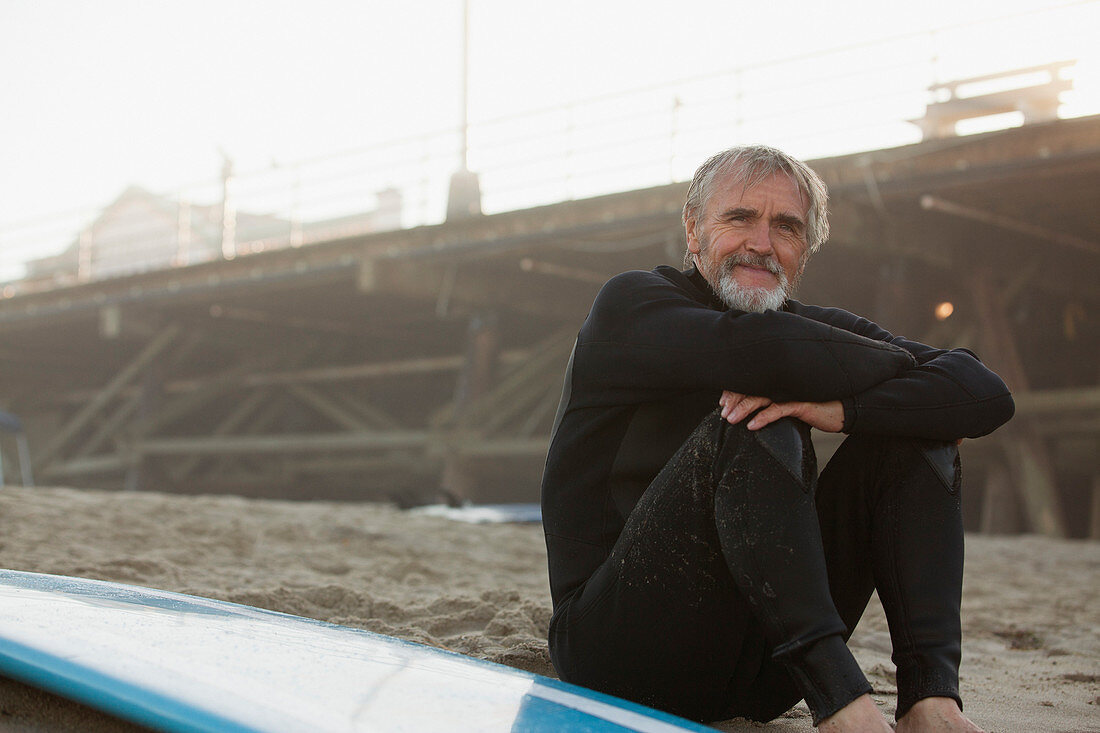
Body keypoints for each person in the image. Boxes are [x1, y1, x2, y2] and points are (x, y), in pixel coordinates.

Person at [540, 144, 1014, 732]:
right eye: (740, 218)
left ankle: (930, 701)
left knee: (917, 429)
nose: (761, 243)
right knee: (750, 420)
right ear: (693, 229)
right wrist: (854, 379)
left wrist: (844, 410)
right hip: (619, 652)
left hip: (761, 670)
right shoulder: (633, 306)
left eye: (785, 227)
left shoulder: (809, 330)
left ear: (804, 251)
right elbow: (769, 352)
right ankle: (842, 702)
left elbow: (983, 391)